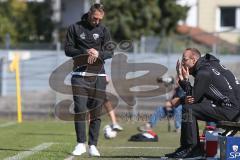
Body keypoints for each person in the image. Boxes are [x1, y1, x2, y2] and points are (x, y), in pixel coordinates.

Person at [165, 48, 240, 159]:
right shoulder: (208, 65)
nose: (182, 63)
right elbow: (198, 96)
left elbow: (194, 99)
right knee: (189, 107)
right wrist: (183, 81)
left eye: (184, 60)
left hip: (230, 111)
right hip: (232, 108)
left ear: (194, 59)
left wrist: (182, 87)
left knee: (188, 109)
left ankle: (192, 148)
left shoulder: (203, 72)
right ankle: (188, 147)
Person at [64, 3, 113, 157]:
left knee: (96, 112)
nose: (97, 21)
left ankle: (93, 145)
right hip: (79, 76)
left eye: (100, 19)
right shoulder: (75, 28)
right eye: (95, 18)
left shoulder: (104, 30)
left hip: (98, 76)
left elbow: (110, 51)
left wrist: (99, 54)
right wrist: (85, 52)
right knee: (80, 109)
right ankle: (80, 144)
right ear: (90, 13)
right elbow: (68, 49)